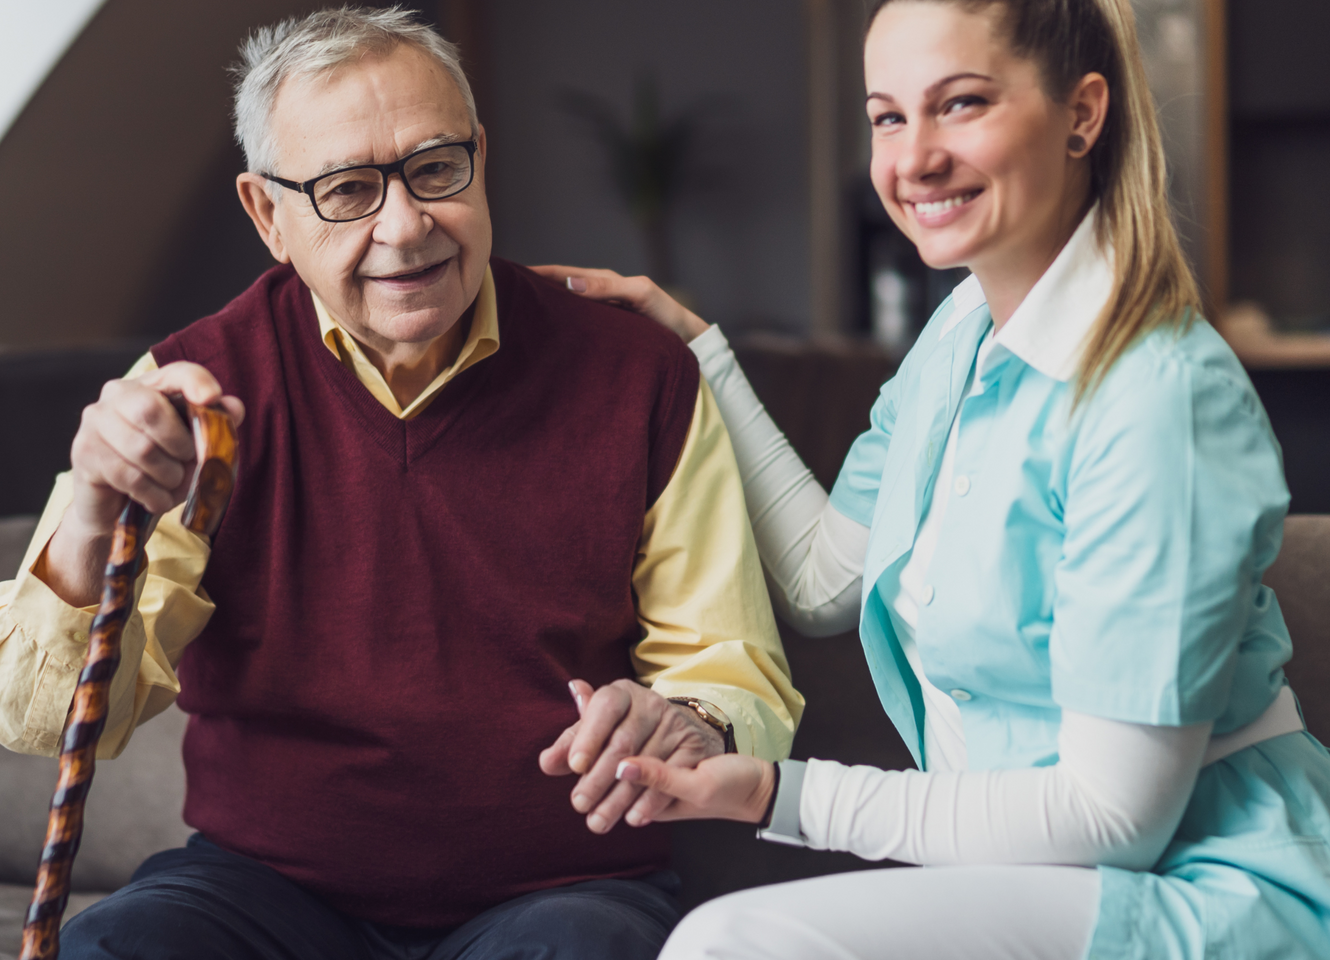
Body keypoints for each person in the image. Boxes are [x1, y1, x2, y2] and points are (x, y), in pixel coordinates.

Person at [0, 7, 804, 959]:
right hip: (262, 891)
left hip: (564, 890)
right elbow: (45, 722)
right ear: (268, 215)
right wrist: (93, 505)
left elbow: (733, 665)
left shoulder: (637, 373)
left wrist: (685, 719)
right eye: (347, 190)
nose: (407, 224)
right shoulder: (192, 391)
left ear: (481, 157)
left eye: (434, 169)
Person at [540, 0, 1330, 957]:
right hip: (1039, 878)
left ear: (1083, 114)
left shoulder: (1160, 395)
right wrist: (695, 353)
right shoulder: (960, 334)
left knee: (735, 944)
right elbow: (827, 582)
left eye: (960, 104)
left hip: (1207, 887)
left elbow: (1115, 819)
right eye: (887, 116)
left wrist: (772, 791)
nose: (912, 158)